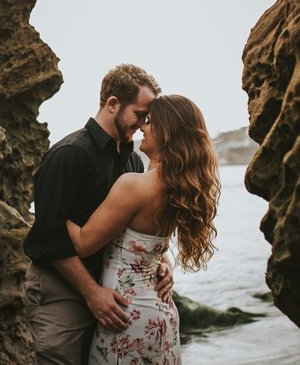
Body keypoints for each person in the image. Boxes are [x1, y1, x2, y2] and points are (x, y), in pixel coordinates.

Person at [23, 63, 172, 365]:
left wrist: (162, 262)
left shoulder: (132, 162)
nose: (143, 124)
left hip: (112, 294)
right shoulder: (69, 154)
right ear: (113, 103)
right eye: (140, 114)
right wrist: (92, 293)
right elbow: (50, 235)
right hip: (61, 289)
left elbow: (130, 230)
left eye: (148, 118)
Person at [67, 93, 220, 365]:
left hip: (126, 317)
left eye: (149, 122)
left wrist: (46, 208)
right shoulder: (179, 187)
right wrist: (166, 262)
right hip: (162, 316)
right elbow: (149, 245)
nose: (142, 128)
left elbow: (82, 242)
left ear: (166, 131)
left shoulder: (134, 185)